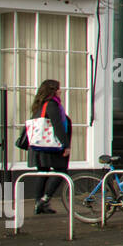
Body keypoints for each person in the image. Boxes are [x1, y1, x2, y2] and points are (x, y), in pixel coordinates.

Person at [28, 79, 71, 214]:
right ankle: (44, 199)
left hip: (39, 146)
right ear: (52, 90)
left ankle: (39, 204)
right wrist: (66, 145)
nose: (60, 91)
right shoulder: (52, 105)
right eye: (58, 88)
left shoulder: (39, 105)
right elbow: (57, 126)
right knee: (61, 171)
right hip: (50, 147)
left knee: (43, 173)